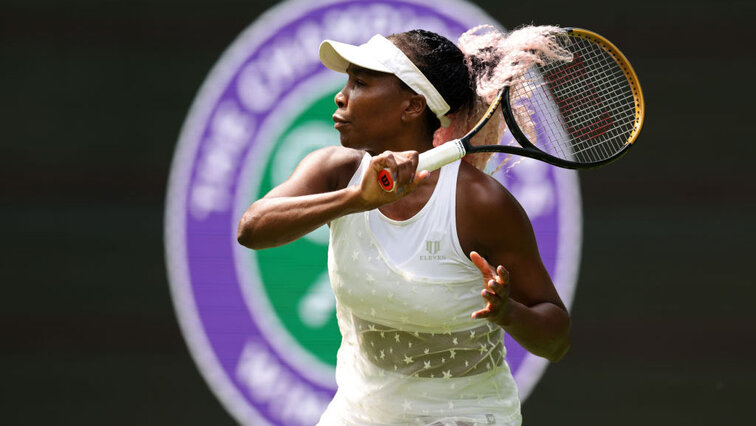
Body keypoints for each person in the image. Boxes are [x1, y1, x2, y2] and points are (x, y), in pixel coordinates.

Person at [237, 25, 572, 426]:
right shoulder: (335, 171)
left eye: (360, 83)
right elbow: (252, 228)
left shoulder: (481, 204)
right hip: (358, 415)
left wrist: (509, 313)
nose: (341, 96)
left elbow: (556, 339)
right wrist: (357, 199)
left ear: (412, 106)